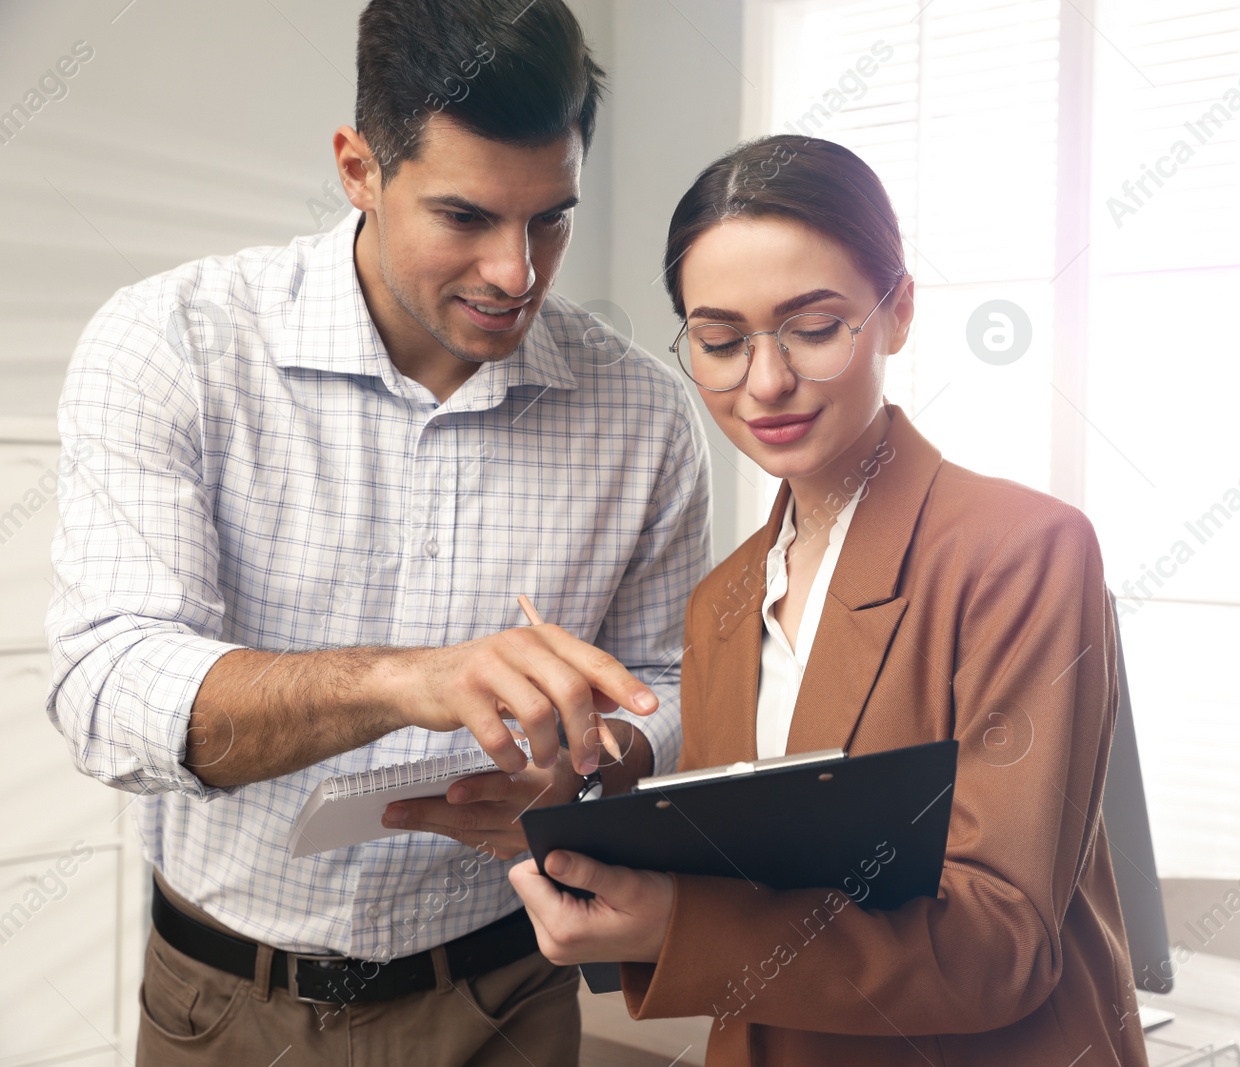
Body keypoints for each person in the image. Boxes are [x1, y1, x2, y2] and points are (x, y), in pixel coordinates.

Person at [44, 1, 711, 1063]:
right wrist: (404, 681)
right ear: (358, 167)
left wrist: (597, 762)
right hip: (228, 1008)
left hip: (509, 992)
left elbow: (671, 678)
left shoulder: (643, 411)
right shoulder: (174, 344)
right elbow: (108, 693)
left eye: (550, 218)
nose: (518, 273)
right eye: (465, 217)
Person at [509, 135, 1151, 1065]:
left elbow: (1001, 942)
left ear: (898, 312)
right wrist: (568, 805)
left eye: (813, 328)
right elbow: (745, 868)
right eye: (722, 342)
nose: (764, 382)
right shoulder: (723, 600)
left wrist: (675, 926)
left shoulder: (1025, 552)